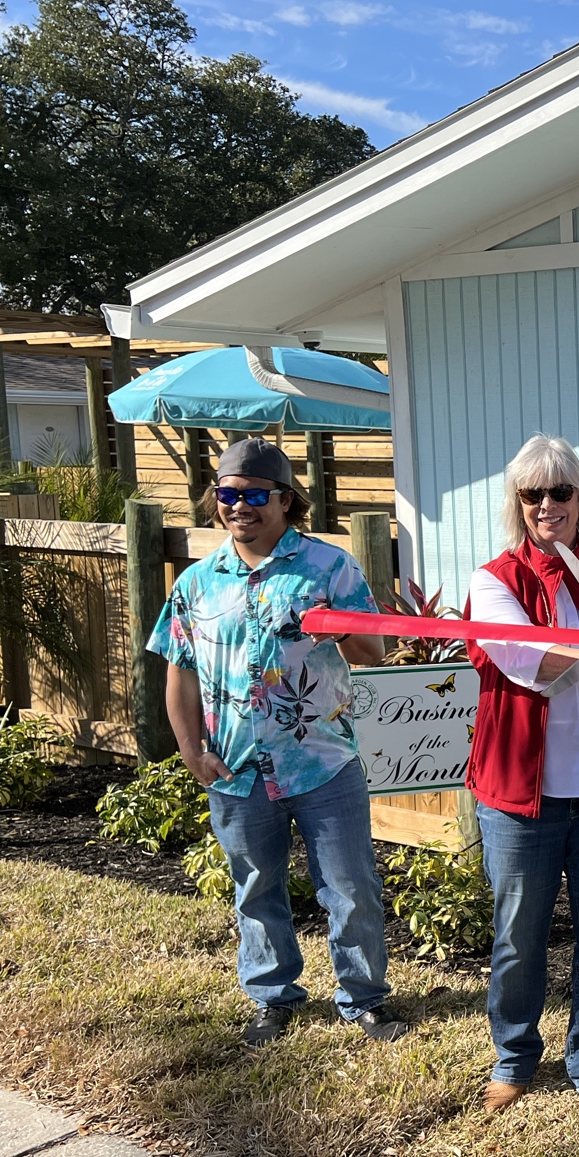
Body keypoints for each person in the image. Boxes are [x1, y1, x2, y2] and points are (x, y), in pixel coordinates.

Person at [150, 436, 407, 1048]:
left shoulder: (330, 568)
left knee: (350, 886)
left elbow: (373, 651)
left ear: (287, 501)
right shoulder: (196, 583)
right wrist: (192, 750)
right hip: (236, 766)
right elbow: (179, 671)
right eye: (228, 494)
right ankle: (272, 995)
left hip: (321, 759)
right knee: (256, 887)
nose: (240, 506)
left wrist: (335, 624)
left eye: (255, 495)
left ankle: (364, 997)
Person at [464, 435, 579, 1117]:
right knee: (519, 935)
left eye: (560, 491)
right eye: (532, 494)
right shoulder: (493, 579)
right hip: (524, 796)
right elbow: (525, 659)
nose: (547, 505)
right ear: (518, 505)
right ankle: (514, 1056)